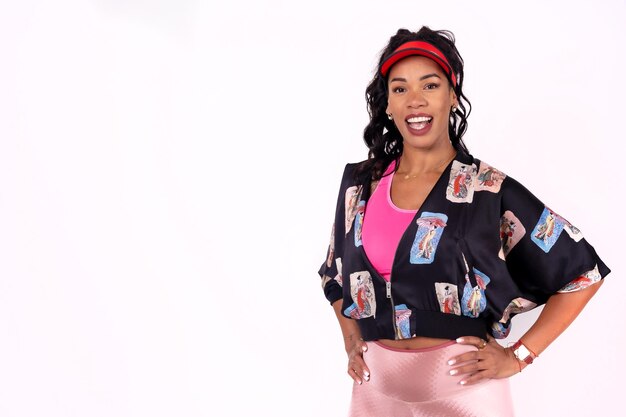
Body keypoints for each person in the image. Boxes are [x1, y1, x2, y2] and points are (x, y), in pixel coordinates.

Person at [317, 26, 611, 417]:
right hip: (376, 394)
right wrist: (351, 339)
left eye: (431, 85)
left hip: (464, 393)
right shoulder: (359, 186)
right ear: (387, 103)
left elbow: (582, 273)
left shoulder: (487, 190)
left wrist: (519, 354)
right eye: (400, 88)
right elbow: (334, 277)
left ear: (452, 96)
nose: (415, 101)